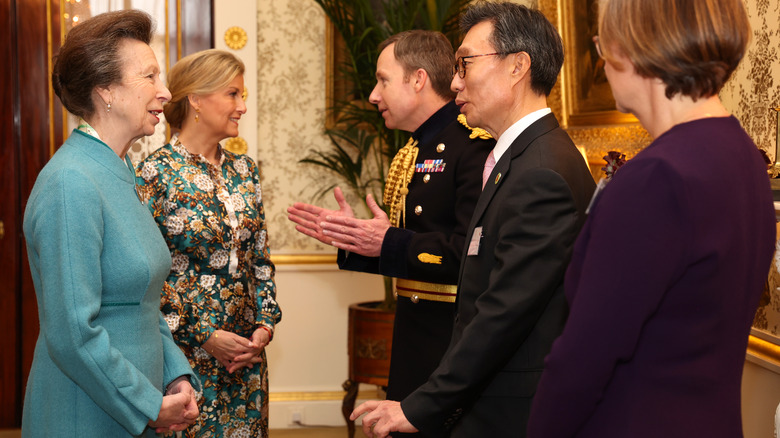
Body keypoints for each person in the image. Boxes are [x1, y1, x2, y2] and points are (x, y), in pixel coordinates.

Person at [527, 0, 775, 436]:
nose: (602, 59)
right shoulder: (741, 154)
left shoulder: (657, 178)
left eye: (602, 43)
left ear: (636, 48)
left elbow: (584, 358)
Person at [350, 3, 596, 437]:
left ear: (518, 66)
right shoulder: (519, 158)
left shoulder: (541, 170)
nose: (455, 80)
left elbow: (504, 313)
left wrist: (421, 406)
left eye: (465, 64)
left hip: (509, 411)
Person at [287, 29, 493, 431]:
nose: (373, 96)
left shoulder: (474, 144)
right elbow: (411, 247)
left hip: (452, 340)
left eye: (383, 80)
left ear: (417, 79)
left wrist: (387, 240)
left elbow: (470, 255)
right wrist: (360, 238)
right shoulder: (414, 150)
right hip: (414, 334)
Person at [22, 10, 199, 437]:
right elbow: (73, 334)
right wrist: (149, 404)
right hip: (86, 412)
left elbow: (141, 300)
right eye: (150, 77)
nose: (166, 91)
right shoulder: (71, 181)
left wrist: (175, 376)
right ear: (106, 91)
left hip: (131, 407)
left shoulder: (117, 170)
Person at [136, 49, 281, 437]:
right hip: (184, 358)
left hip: (246, 358)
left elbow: (260, 261)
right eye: (233, 94)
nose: (242, 107)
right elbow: (144, 274)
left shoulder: (244, 170)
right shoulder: (156, 172)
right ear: (196, 99)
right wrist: (204, 335)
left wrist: (264, 328)